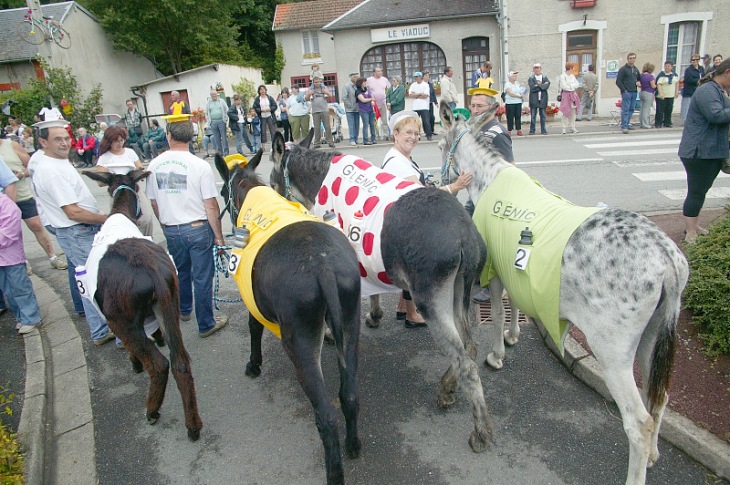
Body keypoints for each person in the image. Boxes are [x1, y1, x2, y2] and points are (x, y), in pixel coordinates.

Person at [381, 110, 472, 327]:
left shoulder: (401, 157)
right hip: (405, 223)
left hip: (401, 218)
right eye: (408, 132)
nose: (413, 137)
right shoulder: (396, 161)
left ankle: (403, 308)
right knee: (418, 262)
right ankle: (414, 314)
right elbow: (422, 197)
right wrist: (455, 187)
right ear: (395, 133)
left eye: (416, 133)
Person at [30, 119, 114, 345]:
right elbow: (73, 212)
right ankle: (112, 332)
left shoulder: (57, 163)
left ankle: (100, 330)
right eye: (57, 139)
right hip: (77, 231)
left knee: (87, 281)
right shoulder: (51, 171)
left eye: (66, 138)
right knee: (98, 282)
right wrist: (105, 218)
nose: (64, 143)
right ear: (43, 142)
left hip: (76, 231)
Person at [146, 115, 228, 337]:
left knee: (181, 271)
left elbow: (154, 202)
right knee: (202, 277)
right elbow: (210, 205)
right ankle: (206, 323)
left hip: (172, 228)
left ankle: (184, 310)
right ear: (191, 137)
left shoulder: (154, 164)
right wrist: (219, 238)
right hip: (198, 227)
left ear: (168, 135)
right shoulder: (200, 165)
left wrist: (165, 223)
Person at [677, 59, 730, 243]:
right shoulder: (707, 90)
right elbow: (715, 115)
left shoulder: (720, 90)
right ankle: (690, 231)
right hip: (699, 151)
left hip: (710, 150)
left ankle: (694, 225)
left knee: (701, 191)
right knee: (696, 192)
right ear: (728, 72)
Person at [0, 134, 67, 270]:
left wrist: (20, 174)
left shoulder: (11, 146)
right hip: (3, 202)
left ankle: (52, 256)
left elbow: (30, 167)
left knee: (36, 225)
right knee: (10, 233)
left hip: (22, 195)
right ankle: (22, 262)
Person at [96, 124, 155, 237]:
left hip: (133, 190)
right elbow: (100, 182)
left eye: (121, 140)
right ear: (109, 141)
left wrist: (138, 172)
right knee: (121, 220)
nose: (119, 143)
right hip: (117, 192)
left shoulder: (130, 152)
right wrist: (113, 177)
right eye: (116, 141)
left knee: (146, 218)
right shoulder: (104, 158)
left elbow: (139, 167)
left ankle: (147, 239)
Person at [0, 192, 41, 334]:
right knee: (8, 290)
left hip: (11, 256)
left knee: (20, 287)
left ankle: (31, 318)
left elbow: (9, 232)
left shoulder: (6, 204)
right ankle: (21, 317)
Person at [307, 74, 335, 148]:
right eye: (315, 82)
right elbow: (306, 98)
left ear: (320, 82)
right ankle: (317, 143)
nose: (317, 83)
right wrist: (309, 94)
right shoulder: (311, 89)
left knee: (327, 126)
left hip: (324, 109)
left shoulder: (324, 88)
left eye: (318, 82)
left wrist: (326, 93)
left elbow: (330, 96)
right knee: (317, 127)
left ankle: (330, 142)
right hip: (315, 111)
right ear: (313, 82)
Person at [616, 53, 641, 134]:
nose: (632, 59)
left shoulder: (636, 69)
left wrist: (638, 83)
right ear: (627, 59)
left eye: (633, 58)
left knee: (631, 109)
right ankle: (624, 126)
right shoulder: (623, 69)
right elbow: (618, 81)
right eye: (630, 58)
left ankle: (627, 123)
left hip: (634, 91)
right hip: (627, 92)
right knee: (625, 109)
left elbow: (639, 79)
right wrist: (624, 90)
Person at [367, 66, 391, 140]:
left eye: (380, 71)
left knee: (384, 120)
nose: (380, 72)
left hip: (383, 102)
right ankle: (375, 135)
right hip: (374, 103)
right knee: (374, 120)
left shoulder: (384, 79)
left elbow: (389, 89)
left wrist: (388, 100)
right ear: (374, 73)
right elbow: (366, 90)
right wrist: (370, 99)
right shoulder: (369, 80)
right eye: (378, 71)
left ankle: (386, 135)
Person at [654, 60, 680, 128]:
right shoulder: (661, 75)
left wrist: (676, 92)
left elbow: (677, 83)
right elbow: (658, 84)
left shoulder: (674, 75)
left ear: (672, 67)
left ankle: (667, 122)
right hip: (662, 96)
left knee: (669, 110)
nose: (667, 67)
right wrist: (661, 93)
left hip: (670, 95)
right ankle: (658, 123)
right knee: (660, 110)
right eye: (665, 66)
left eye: (668, 66)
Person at [409, 71, 433, 141]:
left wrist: (416, 95)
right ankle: (416, 135)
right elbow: (411, 95)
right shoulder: (413, 85)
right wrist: (419, 94)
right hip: (415, 107)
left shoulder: (425, 85)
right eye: (415, 77)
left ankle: (429, 135)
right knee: (415, 123)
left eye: (417, 77)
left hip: (424, 106)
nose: (416, 78)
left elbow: (425, 96)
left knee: (426, 122)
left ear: (421, 77)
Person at [528, 63, 551, 135]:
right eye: (535, 68)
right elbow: (532, 88)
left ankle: (543, 130)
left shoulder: (545, 77)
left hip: (543, 99)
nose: (536, 70)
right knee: (533, 116)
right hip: (534, 99)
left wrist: (538, 86)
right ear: (533, 69)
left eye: (538, 68)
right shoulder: (531, 78)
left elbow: (546, 86)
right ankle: (532, 130)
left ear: (540, 69)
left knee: (543, 116)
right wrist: (541, 86)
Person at [252, 85, 278, 149]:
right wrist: (261, 110)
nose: (262, 91)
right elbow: (255, 107)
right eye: (261, 89)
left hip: (269, 115)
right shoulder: (258, 99)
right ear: (259, 91)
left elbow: (275, 106)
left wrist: (270, 109)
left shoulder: (269, 98)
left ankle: (274, 145)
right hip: (262, 116)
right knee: (263, 131)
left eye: (264, 89)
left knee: (272, 131)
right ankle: (263, 147)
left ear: (266, 90)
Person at [681, 54, 705, 122]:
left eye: (697, 59)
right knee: (687, 106)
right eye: (693, 60)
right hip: (690, 90)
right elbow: (688, 80)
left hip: (699, 90)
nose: (695, 61)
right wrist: (698, 81)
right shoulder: (688, 70)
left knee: (698, 106)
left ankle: (696, 119)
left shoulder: (701, 68)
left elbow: (704, 76)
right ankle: (686, 120)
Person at [205, 90, 229, 155]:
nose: (214, 96)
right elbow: (206, 113)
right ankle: (220, 152)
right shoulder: (208, 103)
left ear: (217, 94)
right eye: (212, 95)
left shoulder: (221, 101)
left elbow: (227, 109)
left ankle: (226, 151)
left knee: (224, 137)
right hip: (213, 122)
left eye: (215, 94)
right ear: (210, 95)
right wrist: (209, 121)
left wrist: (226, 118)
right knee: (216, 138)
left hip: (221, 121)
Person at [558, 62, 580, 135]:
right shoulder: (562, 76)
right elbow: (564, 86)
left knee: (573, 112)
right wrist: (572, 86)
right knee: (566, 112)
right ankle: (564, 128)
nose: (572, 70)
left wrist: (570, 85)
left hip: (573, 95)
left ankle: (572, 127)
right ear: (569, 68)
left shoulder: (572, 76)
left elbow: (577, 84)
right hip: (566, 96)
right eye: (572, 68)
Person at [503, 71, 526, 136]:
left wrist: (522, 93)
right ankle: (509, 130)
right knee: (510, 117)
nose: (515, 77)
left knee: (518, 116)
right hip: (510, 102)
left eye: (516, 76)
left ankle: (519, 129)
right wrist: (519, 96)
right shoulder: (507, 84)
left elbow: (521, 90)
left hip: (518, 102)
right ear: (510, 77)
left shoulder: (517, 83)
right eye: (514, 76)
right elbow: (511, 93)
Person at [355, 77, 376, 146]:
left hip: (370, 109)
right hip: (363, 110)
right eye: (364, 82)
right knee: (366, 125)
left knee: (372, 124)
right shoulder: (358, 91)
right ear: (360, 83)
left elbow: (372, 96)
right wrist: (371, 99)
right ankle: (365, 140)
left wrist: (372, 100)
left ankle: (373, 138)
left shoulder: (367, 90)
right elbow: (363, 100)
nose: (365, 83)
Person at [343, 71, 360, 146]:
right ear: (352, 78)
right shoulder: (347, 86)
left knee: (357, 124)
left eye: (357, 77)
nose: (357, 78)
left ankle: (356, 138)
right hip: (349, 109)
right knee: (351, 125)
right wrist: (349, 105)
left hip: (357, 108)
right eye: (355, 77)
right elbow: (344, 97)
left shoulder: (358, 86)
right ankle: (352, 139)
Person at [639, 63, 657, 129]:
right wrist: (657, 85)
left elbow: (639, 84)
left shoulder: (641, 75)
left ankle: (641, 123)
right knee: (646, 110)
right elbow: (653, 86)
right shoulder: (650, 76)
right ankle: (646, 124)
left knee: (642, 110)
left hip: (642, 92)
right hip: (649, 93)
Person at [423, 71, 439, 135]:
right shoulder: (421, 84)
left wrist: (436, 102)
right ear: (423, 76)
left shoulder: (430, 84)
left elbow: (433, 94)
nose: (427, 77)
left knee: (432, 117)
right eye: (426, 75)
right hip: (424, 103)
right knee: (425, 118)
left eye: (428, 76)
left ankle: (432, 130)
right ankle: (426, 131)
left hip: (430, 102)